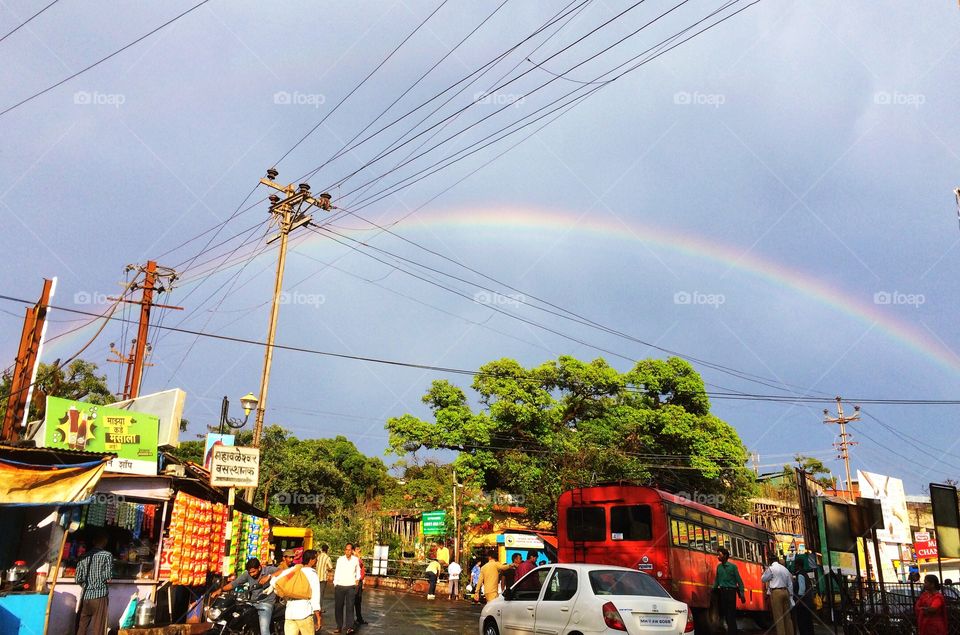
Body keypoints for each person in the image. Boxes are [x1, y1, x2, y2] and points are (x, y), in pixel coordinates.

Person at [211, 557, 278, 635]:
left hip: (266, 603)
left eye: (254, 572)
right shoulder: (247, 574)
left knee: (264, 630)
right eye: (250, 572)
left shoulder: (268, 570)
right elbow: (234, 583)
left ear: (259, 568)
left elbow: (282, 571)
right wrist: (221, 589)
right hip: (252, 603)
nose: (252, 574)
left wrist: (269, 576)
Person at [273, 549, 321, 635]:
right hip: (304, 612)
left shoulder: (294, 571)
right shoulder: (313, 574)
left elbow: (276, 583)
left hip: (290, 613)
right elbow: (315, 598)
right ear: (311, 560)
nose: (317, 561)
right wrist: (318, 617)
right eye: (316, 559)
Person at [75, 532, 113, 635]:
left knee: (81, 627)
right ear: (105, 543)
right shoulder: (107, 555)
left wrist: (87, 585)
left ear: (93, 542)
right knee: (98, 629)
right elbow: (108, 578)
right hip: (100, 596)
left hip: (85, 597)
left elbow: (78, 579)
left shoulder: (83, 557)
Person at [712, 547, 744, 635]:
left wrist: (742, 592)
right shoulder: (719, 567)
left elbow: (739, 580)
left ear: (725, 556)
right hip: (722, 592)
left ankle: (733, 632)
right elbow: (717, 580)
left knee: (731, 614)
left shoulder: (733, 567)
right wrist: (713, 589)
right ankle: (731, 631)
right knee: (725, 613)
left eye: (720, 555)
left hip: (731, 592)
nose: (718, 556)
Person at [332, 542, 361, 633]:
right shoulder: (340, 559)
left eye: (349, 550)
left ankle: (349, 627)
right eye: (346, 549)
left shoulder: (355, 560)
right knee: (338, 607)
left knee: (350, 607)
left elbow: (358, 571)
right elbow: (337, 571)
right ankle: (339, 626)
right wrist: (335, 583)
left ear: (352, 551)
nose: (347, 551)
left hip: (350, 586)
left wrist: (357, 579)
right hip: (340, 585)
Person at [761, 555, 794, 635]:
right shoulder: (785, 569)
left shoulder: (771, 568)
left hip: (776, 593)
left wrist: (767, 572)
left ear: (770, 561)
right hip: (785, 592)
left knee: (779, 617)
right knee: (787, 617)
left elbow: (763, 579)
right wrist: (791, 597)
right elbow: (790, 584)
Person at [792, 565, 816, 635]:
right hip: (808, 602)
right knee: (808, 621)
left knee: (802, 621)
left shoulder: (800, 575)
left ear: (798, 566)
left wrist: (797, 600)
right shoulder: (805, 574)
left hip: (802, 603)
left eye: (796, 565)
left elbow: (802, 589)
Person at [316, 544, 333, 611]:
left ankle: (314, 607)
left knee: (316, 592)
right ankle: (319, 608)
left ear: (322, 549)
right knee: (321, 593)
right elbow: (331, 567)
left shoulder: (318, 556)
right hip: (323, 577)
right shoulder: (327, 557)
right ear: (327, 550)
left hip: (317, 576)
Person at [353, 546, 367, 624]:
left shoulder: (358, 559)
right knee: (354, 600)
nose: (359, 551)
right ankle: (352, 619)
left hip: (360, 581)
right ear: (353, 551)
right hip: (356, 582)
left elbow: (362, 570)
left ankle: (359, 618)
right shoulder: (355, 560)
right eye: (357, 549)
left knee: (358, 600)